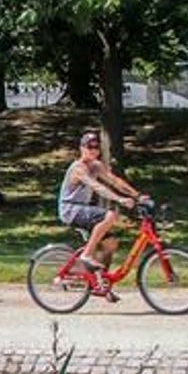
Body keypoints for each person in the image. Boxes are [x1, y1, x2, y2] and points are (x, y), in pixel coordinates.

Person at [56, 129, 142, 301]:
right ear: (81, 148)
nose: (93, 150)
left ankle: (100, 285)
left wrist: (137, 195)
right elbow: (97, 187)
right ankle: (86, 255)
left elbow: (114, 181)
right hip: (70, 210)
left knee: (110, 244)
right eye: (89, 147)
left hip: (82, 209)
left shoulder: (97, 166)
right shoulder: (78, 168)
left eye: (96, 147)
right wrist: (120, 200)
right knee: (110, 215)